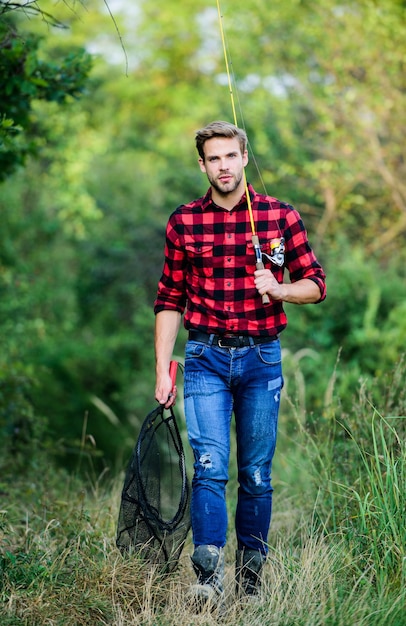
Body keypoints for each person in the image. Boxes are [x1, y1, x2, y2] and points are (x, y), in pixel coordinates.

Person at [154, 120, 326, 606]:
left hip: (260, 357)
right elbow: (168, 298)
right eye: (213, 158)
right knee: (209, 467)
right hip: (204, 356)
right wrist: (162, 368)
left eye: (231, 156)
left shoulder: (278, 216)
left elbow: (315, 282)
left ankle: (252, 581)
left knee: (256, 473)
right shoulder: (184, 220)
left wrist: (280, 289)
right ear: (202, 164)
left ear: (244, 157)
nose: (223, 166)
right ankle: (208, 581)